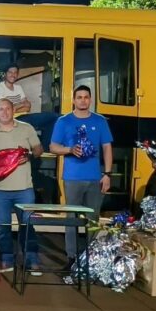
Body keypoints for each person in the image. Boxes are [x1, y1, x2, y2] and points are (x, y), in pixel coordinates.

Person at [49, 85, 113, 268]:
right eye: (79, 97)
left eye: (86, 97)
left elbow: (107, 148)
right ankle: (72, 258)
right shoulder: (64, 122)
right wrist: (69, 150)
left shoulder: (100, 121)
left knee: (93, 219)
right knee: (71, 219)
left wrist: (107, 174)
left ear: (90, 99)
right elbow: (53, 147)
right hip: (72, 178)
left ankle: (90, 259)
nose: (83, 100)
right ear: (74, 100)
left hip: (95, 178)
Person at [0, 97, 43, 274]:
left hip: (24, 189)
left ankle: (32, 259)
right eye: (1, 109)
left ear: (13, 110)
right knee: (3, 228)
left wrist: (30, 155)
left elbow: (39, 149)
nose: (5, 112)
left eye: (8, 108)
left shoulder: (26, 128)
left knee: (28, 225)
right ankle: (6, 259)